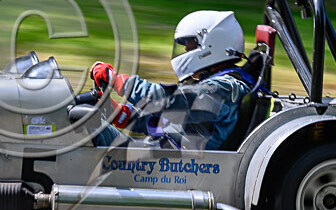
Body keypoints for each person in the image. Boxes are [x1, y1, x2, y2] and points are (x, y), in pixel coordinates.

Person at [91, 10, 262, 150]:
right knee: (81, 114)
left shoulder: (223, 88)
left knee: (80, 124)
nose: (186, 49)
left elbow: (170, 101)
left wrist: (118, 81)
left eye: (191, 45)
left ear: (212, 45)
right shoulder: (216, 85)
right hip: (165, 154)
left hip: (172, 166)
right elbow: (172, 119)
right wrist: (122, 113)